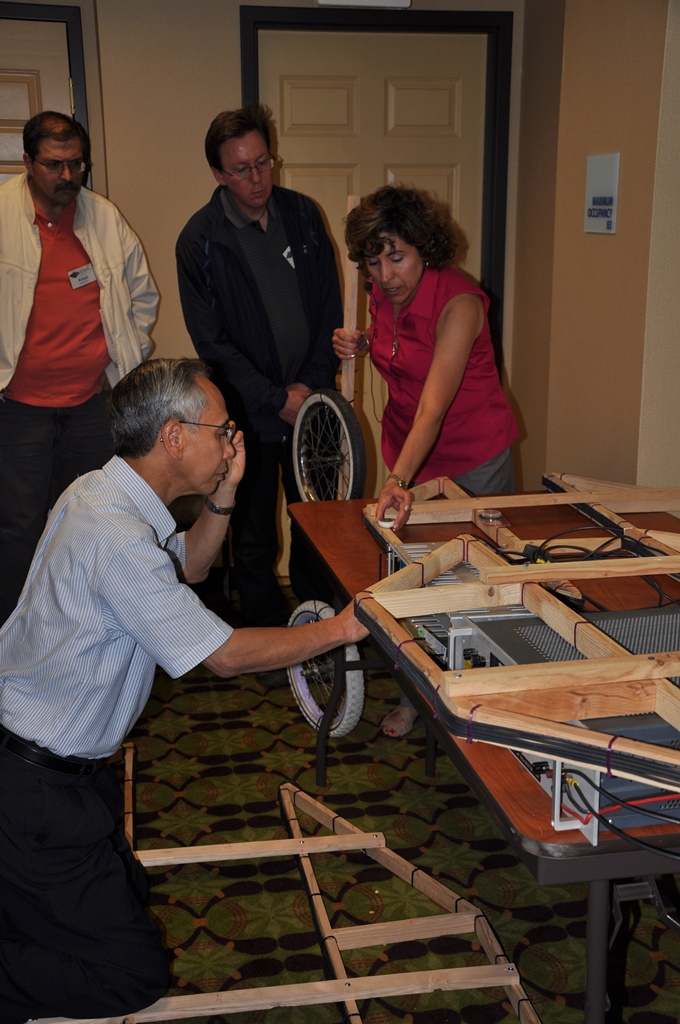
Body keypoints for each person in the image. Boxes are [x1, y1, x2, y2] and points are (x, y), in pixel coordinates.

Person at [0, 357, 366, 1024]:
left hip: (57, 775)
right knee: (128, 976)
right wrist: (342, 630)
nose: (233, 441)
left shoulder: (101, 495)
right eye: (222, 431)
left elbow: (189, 565)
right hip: (33, 791)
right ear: (173, 436)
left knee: (125, 893)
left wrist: (224, 494)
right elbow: (223, 657)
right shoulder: (115, 536)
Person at [333, 185, 518, 737]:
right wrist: (361, 345)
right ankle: (416, 695)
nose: (387, 274)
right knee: (413, 583)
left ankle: (482, 700)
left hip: (473, 455)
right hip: (407, 449)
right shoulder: (378, 294)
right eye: (374, 259)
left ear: (425, 249)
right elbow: (397, 352)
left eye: (398, 256)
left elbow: (435, 406)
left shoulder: (459, 301)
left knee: (477, 582)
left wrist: (396, 478)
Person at [176, 103, 341, 649]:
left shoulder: (304, 215)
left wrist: (309, 390)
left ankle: (322, 629)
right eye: (242, 169)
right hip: (247, 413)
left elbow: (328, 309)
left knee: (319, 522)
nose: (257, 179)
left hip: (313, 406)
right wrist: (275, 399)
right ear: (219, 175)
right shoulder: (199, 240)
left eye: (264, 162)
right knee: (251, 535)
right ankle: (268, 640)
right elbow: (213, 345)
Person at [0, 110, 158, 625]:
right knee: (18, 528)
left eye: (76, 164)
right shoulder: (2, 214)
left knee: (87, 522)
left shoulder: (103, 217)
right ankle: (16, 637)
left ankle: (77, 628)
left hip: (93, 405)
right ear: (27, 162)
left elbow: (142, 295)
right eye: (54, 165)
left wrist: (121, 358)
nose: (68, 177)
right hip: (19, 409)